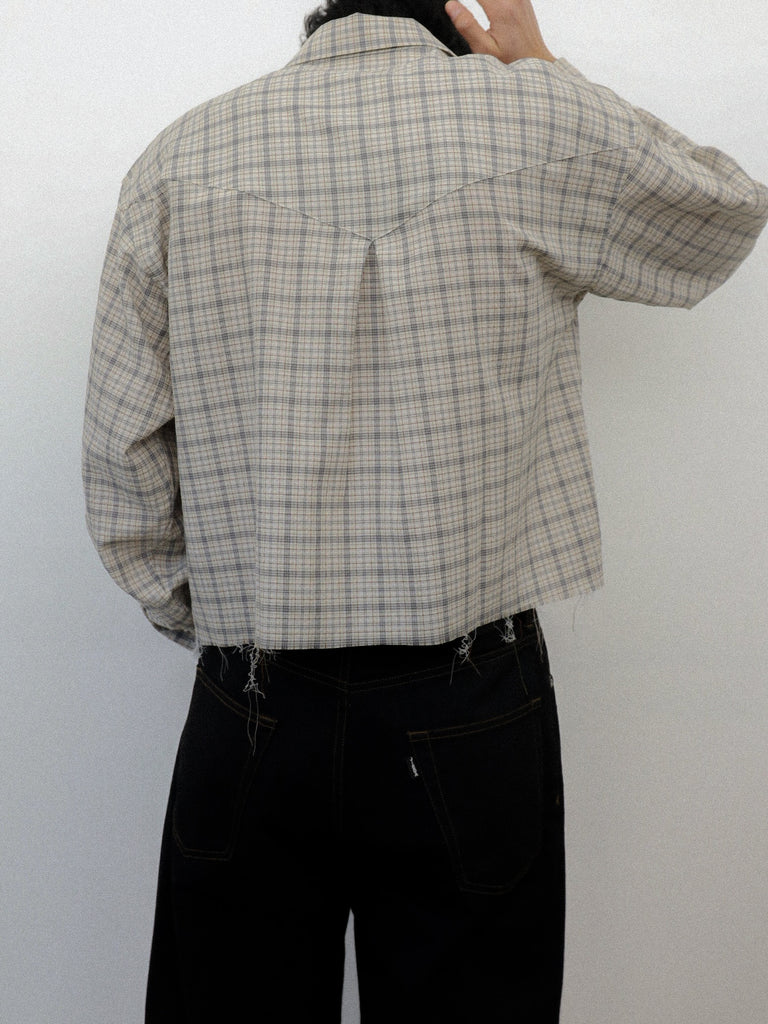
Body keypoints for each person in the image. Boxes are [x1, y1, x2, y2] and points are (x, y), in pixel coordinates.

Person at [82, 1, 768, 1020]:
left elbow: (123, 459)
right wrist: (545, 68)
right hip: (470, 697)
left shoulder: (178, 162)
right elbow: (722, 211)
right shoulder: (532, 122)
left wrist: (222, 617)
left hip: (254, 696)